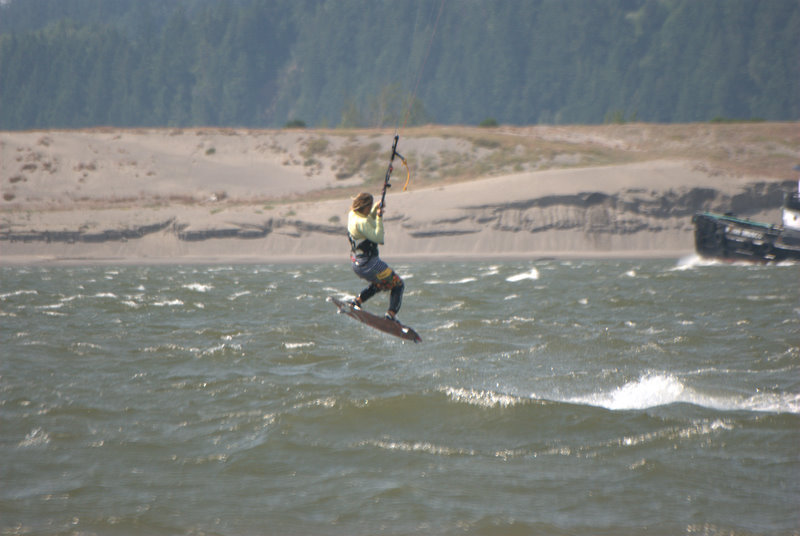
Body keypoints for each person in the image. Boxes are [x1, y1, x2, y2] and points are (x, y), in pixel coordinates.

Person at [347, 192, 405, 322]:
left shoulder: (352, 215)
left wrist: (374, 209)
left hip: (357, 264)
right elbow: (379, 238)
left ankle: (356, 302)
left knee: (380, 283)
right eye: (370, 206)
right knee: (398, 284)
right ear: (365, 207)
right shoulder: (361, 222)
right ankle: (391, 315)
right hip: (370, 264)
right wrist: (379, 217)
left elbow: (366, 220)